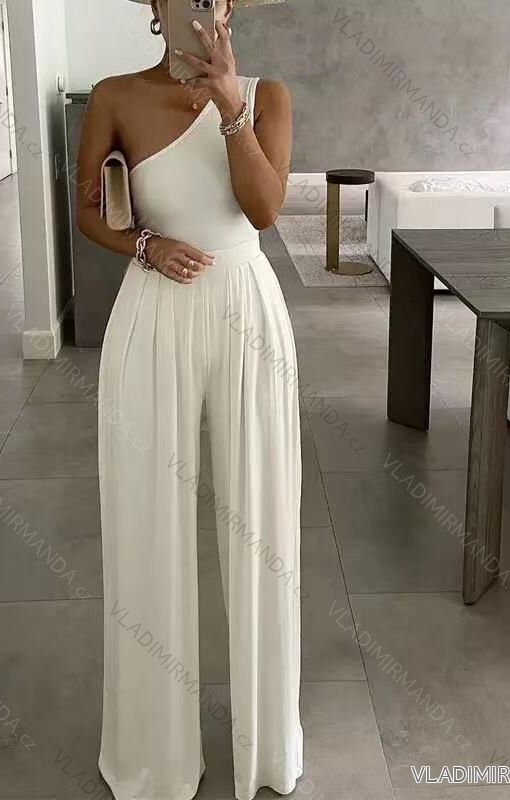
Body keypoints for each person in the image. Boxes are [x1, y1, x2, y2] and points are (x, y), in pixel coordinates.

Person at [76, 2, 302, 798]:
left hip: (248, 309)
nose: (200, 8)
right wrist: (143, 243)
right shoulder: (114, 95)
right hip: (153, 310)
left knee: (263, 523)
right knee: (145, 516)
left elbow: (263, 210)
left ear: (227, 9)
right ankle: (154, 755)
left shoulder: (268, 96)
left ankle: (266, 748)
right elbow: (88, 209)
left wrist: (232, 107)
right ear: (155, 8)